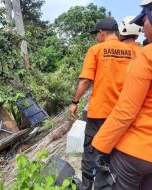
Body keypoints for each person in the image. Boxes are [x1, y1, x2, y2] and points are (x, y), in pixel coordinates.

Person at [69, 17, 134, 190]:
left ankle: (87, 185)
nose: (95, 38)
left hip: (99, 113)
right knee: (114, 152)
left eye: (96, 34)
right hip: (122, 114)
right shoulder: (132, 52)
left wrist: (74, 102)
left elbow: (85, 81)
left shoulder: (96, 50)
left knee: (91, 151)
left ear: (101, 32)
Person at [92, 2, 152, 189]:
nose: (143, 28)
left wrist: (100, 147)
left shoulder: (147, 56)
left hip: (135, 149)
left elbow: (126, 110)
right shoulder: (136, 51)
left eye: (145, 20)